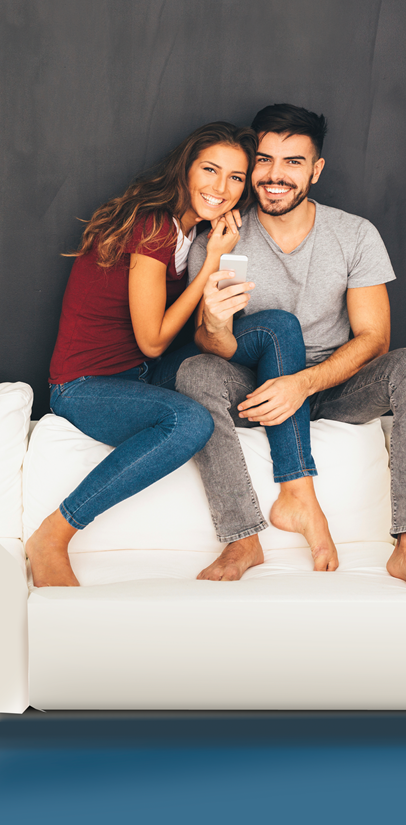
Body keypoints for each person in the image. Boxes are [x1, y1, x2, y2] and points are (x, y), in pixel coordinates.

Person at [176, 103, 406, 597]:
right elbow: (213, 345)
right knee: (195, 371)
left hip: (334, 384)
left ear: (316, 170)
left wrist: (302, 383)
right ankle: (242, 539)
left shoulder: (354, 234)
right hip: (255, 383)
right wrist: (215, 323)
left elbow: (374, 338)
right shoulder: (222, 235)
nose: (274, 175)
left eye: (293, 162)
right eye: (263, 160)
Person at [26, 121, 259, 588]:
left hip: (139, 373)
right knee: (191, 421)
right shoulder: (154, 225)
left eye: (235, 177)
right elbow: (153, 339)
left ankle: (286, 491)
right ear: (185, 169)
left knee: (258, 336)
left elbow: (158, 348)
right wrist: (213, 262)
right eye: (210, 170)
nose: (221, 187)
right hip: (83, 386)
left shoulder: (193, 232)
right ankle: (53, 534)